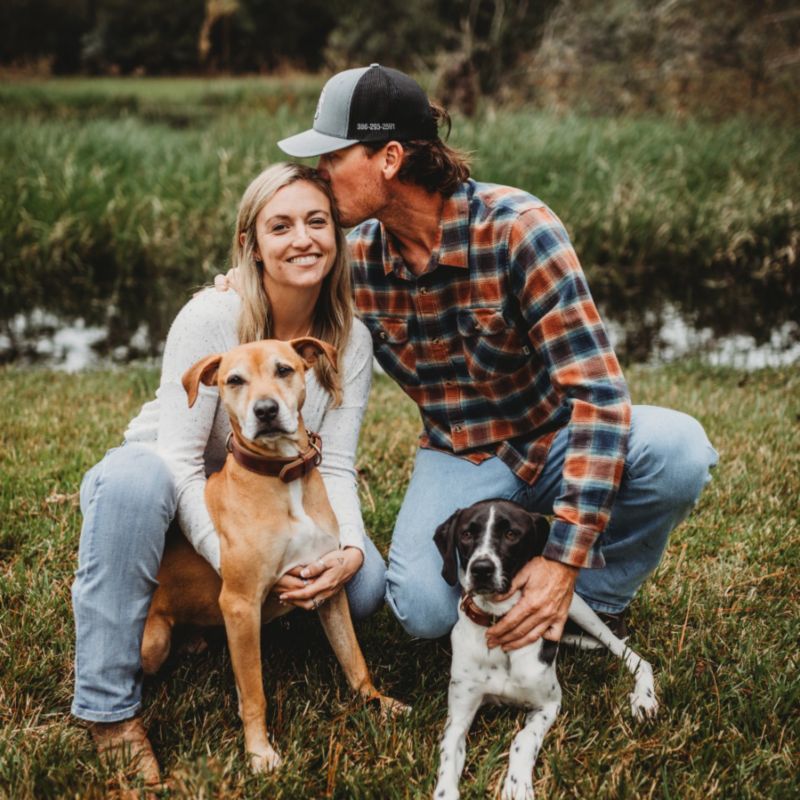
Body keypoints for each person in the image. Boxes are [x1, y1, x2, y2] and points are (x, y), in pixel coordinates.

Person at [272, 64, 719, 652]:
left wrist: (563, 561)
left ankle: (589, 600)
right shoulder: (351, 262)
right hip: (459, 452)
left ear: (390, 158)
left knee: (679, 451)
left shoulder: (519, 231)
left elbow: (599, 397)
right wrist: (240, 287)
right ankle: (521, 577)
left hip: (555, 436)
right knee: (422, 612)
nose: (320, 173)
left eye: (333, 156)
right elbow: (278, 299)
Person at [71, 163, 385, 784]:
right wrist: (236, 563)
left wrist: (348, 549)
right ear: (252, 245)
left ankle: (221, 625)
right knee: (138, 487)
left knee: (366, 584)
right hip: (164, 483)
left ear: (337, 235)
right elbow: (180, 463)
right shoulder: (211, 316)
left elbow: (336, 464)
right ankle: (109, 710)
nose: (302, 239)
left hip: (265, 491)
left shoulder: (348, 341)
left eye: (317, 222)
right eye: (280, 226)